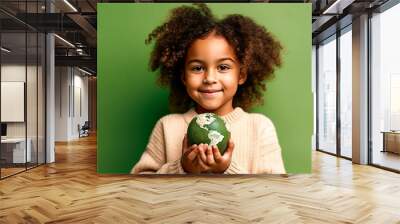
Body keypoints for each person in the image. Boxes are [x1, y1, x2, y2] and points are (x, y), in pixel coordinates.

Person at [131, 3, 286, 174]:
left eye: (223, 67)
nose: (210, 79)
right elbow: (140, 182)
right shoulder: (167, 126)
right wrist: (182, 168)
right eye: (197, 68)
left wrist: (227, 170)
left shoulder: (260, 127)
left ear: (241, 75)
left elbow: (273, 190)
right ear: (183, 76)